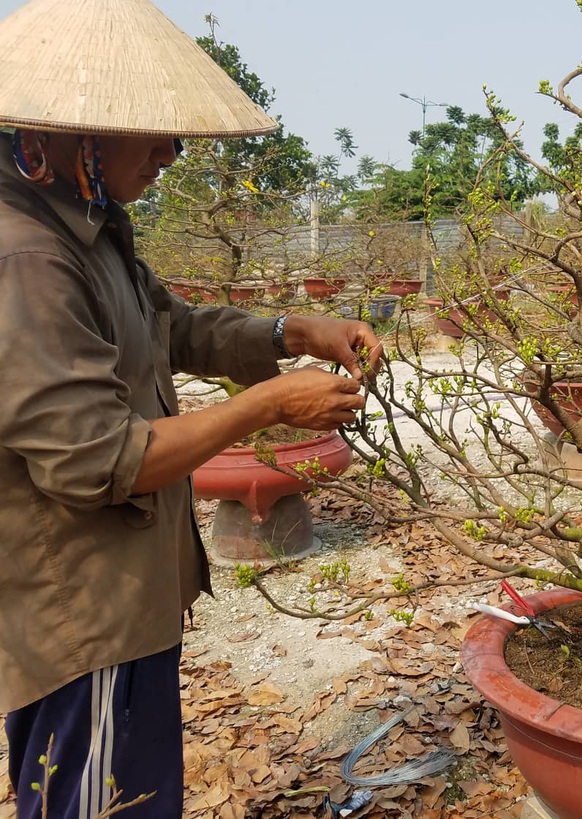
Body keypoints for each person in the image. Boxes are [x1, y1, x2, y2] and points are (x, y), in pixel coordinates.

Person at [0, 1, 383, 816]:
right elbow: (99, 458)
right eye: (150, 130)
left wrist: (290, 331)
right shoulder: (28, 256)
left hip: (117, 599)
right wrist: (269, 405)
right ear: (73, 131)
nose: (171, 153)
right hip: (82, 612)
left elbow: (170, 326)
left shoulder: (87, 226)